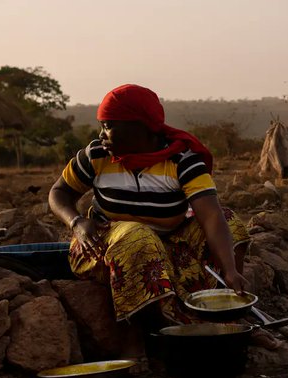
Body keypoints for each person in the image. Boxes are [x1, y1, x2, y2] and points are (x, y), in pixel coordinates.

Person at [48, 84, 251, 332]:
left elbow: (210, 215)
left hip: (168, 245)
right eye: (102, 125)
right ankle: (150, 331)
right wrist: (76, 222)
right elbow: (59, 193)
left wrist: (230, 270)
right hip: (102, 246)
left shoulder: (182, 160)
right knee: (137, 235)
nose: (101, 133)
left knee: (229, 221)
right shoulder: (96, 155)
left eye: (109, 126)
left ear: (140, 126)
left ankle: (227, 307)